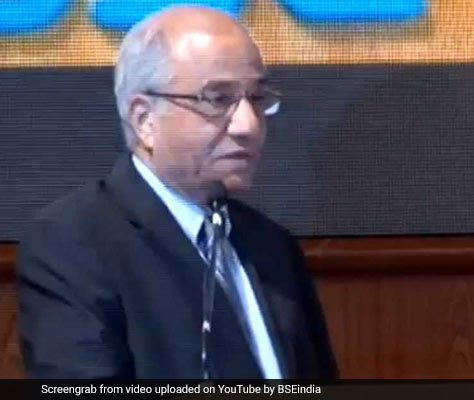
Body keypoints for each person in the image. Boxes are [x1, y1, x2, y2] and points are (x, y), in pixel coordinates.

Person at [17, 5, 338, 379]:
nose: (248, 125)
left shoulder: (272, 247)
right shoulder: (74, 244)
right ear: (145, 120)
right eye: (218, 99)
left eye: (256, 98)